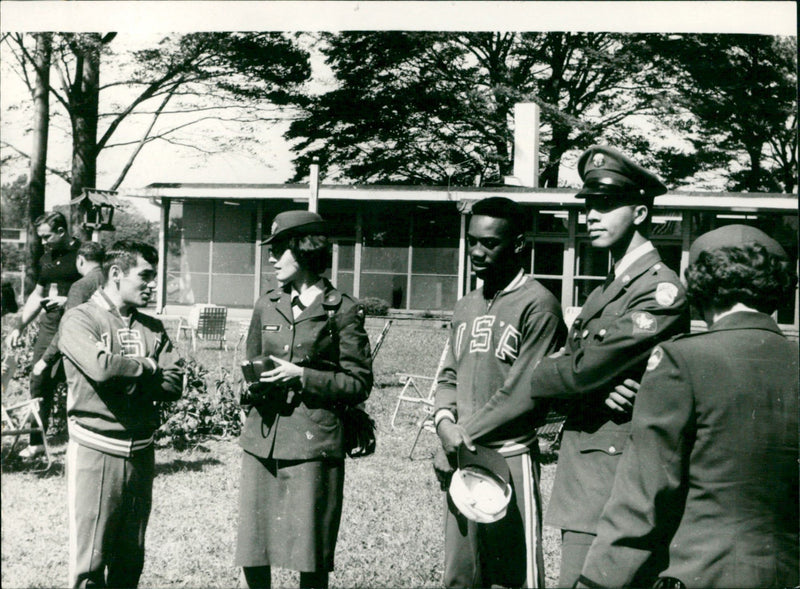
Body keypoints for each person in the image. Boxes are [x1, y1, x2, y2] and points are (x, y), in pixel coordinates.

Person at [446, 146, 691, 586]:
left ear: (638, 212)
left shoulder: (659, 290)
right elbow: (587, 372)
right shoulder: (609, 289)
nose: (592, 216)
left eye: (605, 205)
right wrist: (591, 382)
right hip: (590, 470)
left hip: (622, 472)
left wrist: (549, 371)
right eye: (589, 205)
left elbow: (576, 371)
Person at [577, 225, 799, 588]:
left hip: (702, 574)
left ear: (698, 284)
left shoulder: (682, 360)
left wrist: (596, 582)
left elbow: (642, 497)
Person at [432, 196, 567, 588]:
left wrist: (457, 440)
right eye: (472, 241)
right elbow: (447, 375)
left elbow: (522, 393)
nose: (477, 251)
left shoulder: (538, 304)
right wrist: (444, 424)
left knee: (513, 577)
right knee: (460, 575)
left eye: (490, 243)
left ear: (519, 244)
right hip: (462, 454)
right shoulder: (465, 305)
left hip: (509, 455)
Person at [236, 210, 373, 589]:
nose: (272, 258)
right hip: (262, 441)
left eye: (280, 249)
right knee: (254, 544)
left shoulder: (342, 310)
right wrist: (250, 386)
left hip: (314, 445)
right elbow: (248, 365)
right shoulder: (267, 304)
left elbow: (359, 382)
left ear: (305, 251)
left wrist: (303, 376)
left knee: (309, 551)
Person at [57, 240, 184, 588]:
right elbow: (101, 369)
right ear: (115, 274)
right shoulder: (80, 318)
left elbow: (174, 383)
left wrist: (126, 374)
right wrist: (147, 366)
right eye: (144, 276)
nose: (152, 284)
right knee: (91, 560)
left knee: (131, 557)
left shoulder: (152, 326)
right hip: (97, 449)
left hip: (141, 451)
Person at [4, 211, 82, 459]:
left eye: (47, 236)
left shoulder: (83, 256)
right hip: (49, 329)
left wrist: (67, 300)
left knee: (75, 384)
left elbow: (97, 292)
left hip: (77, 328)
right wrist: (19, 325)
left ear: (61, 231)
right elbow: (37, 295)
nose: (43, 242)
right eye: (40, 237)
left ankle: (79, 443)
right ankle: (37, 442)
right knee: (39, 382)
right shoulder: (46, 257)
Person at [34, 241, 106, 379]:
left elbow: (67, 329)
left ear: (80, 260)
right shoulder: (112, 280)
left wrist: (45, 360)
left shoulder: (80, 286)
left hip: (86, 354)